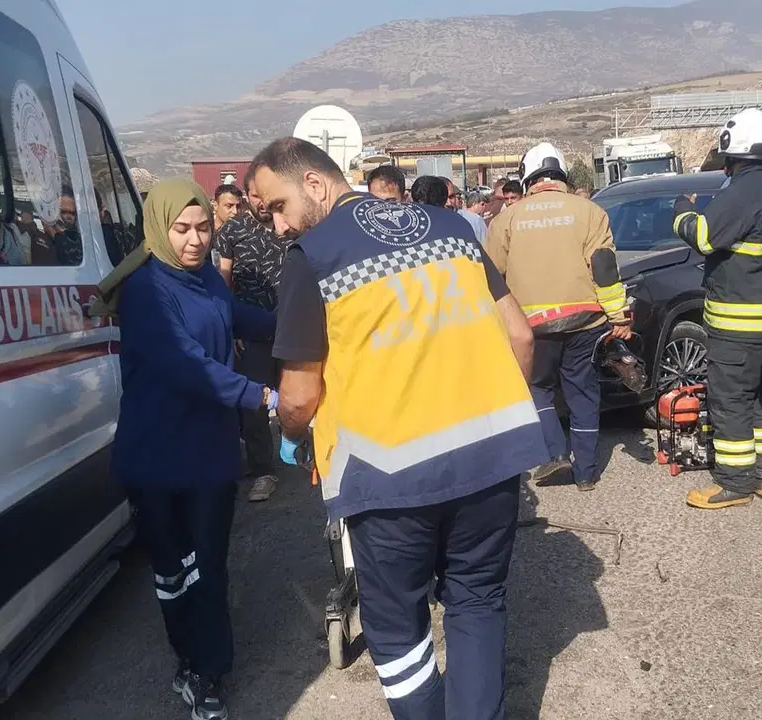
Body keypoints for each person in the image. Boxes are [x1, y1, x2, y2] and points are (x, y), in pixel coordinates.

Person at [251, 138, 547, 720]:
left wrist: (289, 431)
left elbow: (300, 395)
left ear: (315, 184)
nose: (279, 226)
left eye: (278, 206)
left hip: (388, 480)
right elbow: (520, 336)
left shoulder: (314, 256)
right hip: (489, 464)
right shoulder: (455, 229)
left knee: (397, 629)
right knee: (477, 603)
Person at [90, 179, 277, 720]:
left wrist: (300, 324)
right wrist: (261, 395)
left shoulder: (205, 277)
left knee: (209, 565)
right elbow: (186, 365)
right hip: (159, 455)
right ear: (157, 230)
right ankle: (188, 657)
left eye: (203, 228)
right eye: (182, 229)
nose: (195, 240)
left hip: (209, 451)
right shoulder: (147, 291)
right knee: (174, 570)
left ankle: (208, 669)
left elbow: (235, 315)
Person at [486, 142, 632, 492]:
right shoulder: (590, 212)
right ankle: (586, 473)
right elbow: (604, 269)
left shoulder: (507, 219)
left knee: (537, 388)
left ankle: (555, 454)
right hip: (585, 321)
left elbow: (491, 276)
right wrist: (619, 317)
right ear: (561, 174)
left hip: (533, 325)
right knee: (583, 393)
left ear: (528, 177)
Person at [671, 108, 762, 509]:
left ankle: (735, 483)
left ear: (732, 153)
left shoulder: (741, 192)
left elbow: (704, 236)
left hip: (739, 322)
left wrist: (681, 212)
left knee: (731, 400)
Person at [214, 172, 292, 503]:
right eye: (255, 195)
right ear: (247, 196)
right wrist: (230, 327)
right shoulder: (233, 231)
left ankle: (305, 451)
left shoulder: (292, 225)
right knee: (254, 402)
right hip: (251, 330)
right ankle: (263, 470)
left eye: (265, 194)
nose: (262, 202)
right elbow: (223, 280)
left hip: (294, 326)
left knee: (301, 393)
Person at [210, 184, 243, 267]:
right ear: (215, 205)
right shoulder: (207, 234)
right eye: (229, 206)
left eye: (238, 206)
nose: (235, 211)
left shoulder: (244, 234)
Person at [446, 178, 487, 243]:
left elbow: (484, 246)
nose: (448, 202)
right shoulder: (431, 222)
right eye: (458, 198)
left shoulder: (475, 220)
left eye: (451, 197)